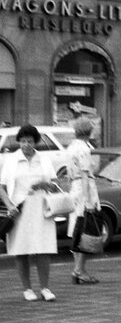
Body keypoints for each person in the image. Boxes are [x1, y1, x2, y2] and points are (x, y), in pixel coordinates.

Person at [0, 124, 61, 301]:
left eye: (30, 141)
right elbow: (2, 188)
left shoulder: (44, 160)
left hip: (41, 208)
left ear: (36, 142)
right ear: (18, 141)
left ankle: (45, 288)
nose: (26, 145)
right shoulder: (11, 160)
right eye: (23, 141)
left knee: (44, 248)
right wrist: (9, 205)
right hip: (19, 208)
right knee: (22, 248)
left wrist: (44, 185)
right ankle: (27, 288)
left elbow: (56, 184)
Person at [65, 118, 100, 285]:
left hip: (74, 188)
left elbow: (69, 172)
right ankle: (79, 270)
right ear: (89, 131)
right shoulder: (85, 149)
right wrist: (88, 200)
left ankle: (79, 269)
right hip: (84, 188)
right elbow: (86, 174)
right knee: (87, 229)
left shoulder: (71, 147)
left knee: (77, 228)